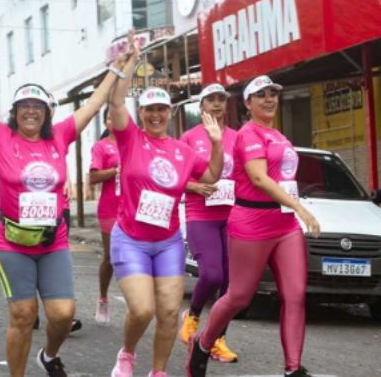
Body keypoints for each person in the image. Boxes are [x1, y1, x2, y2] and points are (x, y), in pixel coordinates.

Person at [0, 25, 120, 377]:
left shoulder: (60, 136)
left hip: (52, 240)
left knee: (63, 315)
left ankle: (48, 355)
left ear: (48, 113)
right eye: (25, 106)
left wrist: (117, 69)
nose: (31, 111)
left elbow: (94, 104)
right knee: (22, 315)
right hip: (11, 240)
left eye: (38, 106)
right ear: (15, 111)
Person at [186, 76, 320, 377]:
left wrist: (294, 208)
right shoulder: (248, 134)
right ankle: (203, 344)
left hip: (285, 224)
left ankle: (293, 368)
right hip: (252, 222)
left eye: (273, 93)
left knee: (295, 295)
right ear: (247, 103)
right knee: (239, 297)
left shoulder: (279, 136)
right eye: (261, 95)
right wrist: (300, 207)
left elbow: (283, 177)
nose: (269, 99)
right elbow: (258, 178)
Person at [108, 42, 224, 377]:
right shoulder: (130, 139)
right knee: (143, 310)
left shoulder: (182, 151)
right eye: (149, 110)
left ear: (170, 113)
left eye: (162, 109)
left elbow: (211, 176)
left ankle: (158, 371)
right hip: (130, 239)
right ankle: (127, 354)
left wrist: (216, 143)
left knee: (170, 312)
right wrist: (129, 64)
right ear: (141, 114)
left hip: (168, 241)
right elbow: (115, 102)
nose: (156, 115)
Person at [177, 84, 239, 363]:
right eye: (210, 100)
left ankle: (216, 339)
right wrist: (194, 187)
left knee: (230, 282)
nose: (216, 104)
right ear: (201, 105)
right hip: (201, 216)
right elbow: (174, 177)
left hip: (232, 216)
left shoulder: (237, 137)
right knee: (212, 275)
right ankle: (192, 316)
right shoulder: (189, 138)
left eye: (220, 100)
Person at [88, 108, 121, 325]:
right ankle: (103, 298)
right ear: (105, 122)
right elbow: (93, 177)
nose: (114, 121)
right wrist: (115, 171)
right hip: (110, 209)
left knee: (133, 257)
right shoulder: (101, 147)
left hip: (134, 209)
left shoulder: (135, 143)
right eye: (110, 117)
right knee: (110, 259)